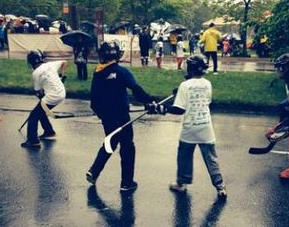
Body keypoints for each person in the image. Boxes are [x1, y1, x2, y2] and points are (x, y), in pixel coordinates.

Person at [147, 55, 227, 200]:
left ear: (190, 68)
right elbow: (203, 98)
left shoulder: (185, 86)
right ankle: (220, 186)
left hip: (190, 128)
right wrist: (182, 90)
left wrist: (161, 108)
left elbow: (179, 109)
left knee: (184, 155)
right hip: (206, 127)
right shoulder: (208, 83)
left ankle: (181, 184)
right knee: (211, 158)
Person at [86, 41, 155, 192]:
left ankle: (94, 171)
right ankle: (127, 182)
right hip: (122, 116)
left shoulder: (98, 73)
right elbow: (135, 89)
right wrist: (149, 101)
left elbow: (94, 100)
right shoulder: (122, 71)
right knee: (127, 147)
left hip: (107, 118)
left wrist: (101, 113)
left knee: (110, 142)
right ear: (117, 54)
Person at [20, 50, 68, 148]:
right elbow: (64, 62)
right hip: (62, 93)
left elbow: (38, 91)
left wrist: (41, 96)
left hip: (52, 97)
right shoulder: (51, 65)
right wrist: (61, 75)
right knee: (41, 110)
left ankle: (33, 141)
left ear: (31, 62)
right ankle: (49, 131)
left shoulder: (36, 73)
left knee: (33, 115)